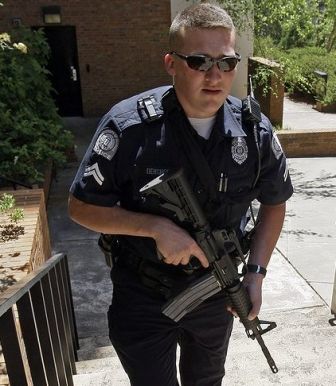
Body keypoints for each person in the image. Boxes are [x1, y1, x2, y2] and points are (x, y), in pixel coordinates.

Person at [68, 2, 293, 385]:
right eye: (199, 61)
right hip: (142, 293)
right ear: (171, 63)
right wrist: (155, 228)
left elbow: (275, 201)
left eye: (227, 62)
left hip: (214, 294)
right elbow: (80, 207)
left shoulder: (254, 132)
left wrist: (255, 274)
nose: (215, 75)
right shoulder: (128, 127)